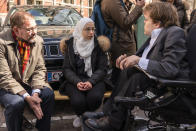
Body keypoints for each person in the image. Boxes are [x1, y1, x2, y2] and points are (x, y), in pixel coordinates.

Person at [84, 2, 189, 131]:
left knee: (136, 78)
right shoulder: (154, 36)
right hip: (151, 86)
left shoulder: (174, 33)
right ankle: (109, 113)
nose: (143, 23)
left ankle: (113, 122)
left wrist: (138, 60)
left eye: (146, 20)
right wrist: (127, 59)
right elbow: (146, 61)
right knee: (128, 71)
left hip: (159, 92)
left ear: (157, 23)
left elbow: (170, 69)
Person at [0, 11, 54, 131]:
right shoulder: (1, 42)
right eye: (29, 29)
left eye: (35, 27)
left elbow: (39, 69)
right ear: (16, 30)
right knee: (16, 103)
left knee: (48, 95)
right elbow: (4, 77)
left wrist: (35, 93)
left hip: (27, 82)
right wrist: (27, 97)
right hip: (5, 86)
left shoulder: (38, 40)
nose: (34, 32)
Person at [59, 18, 110, 128]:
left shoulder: (98, 44)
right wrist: (77, 82)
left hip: (95, 79)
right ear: (80, 30)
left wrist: (91, 82)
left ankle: (90, 117)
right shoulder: (70, 45)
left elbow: (102, 69)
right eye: (87, 29)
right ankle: (81, 116)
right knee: (78, 101)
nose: (91, 32)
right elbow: (67, 69)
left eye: (93, 29)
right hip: (74, 80)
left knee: (94, 97)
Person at [100, 0, 145, 85]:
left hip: (122, 42)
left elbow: (119, 20)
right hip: (121, 45)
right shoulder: (112, 2)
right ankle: (119, 96)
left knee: (123, 75)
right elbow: (125, 22)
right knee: (122, 76)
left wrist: (127, 5)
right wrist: (139, 7)